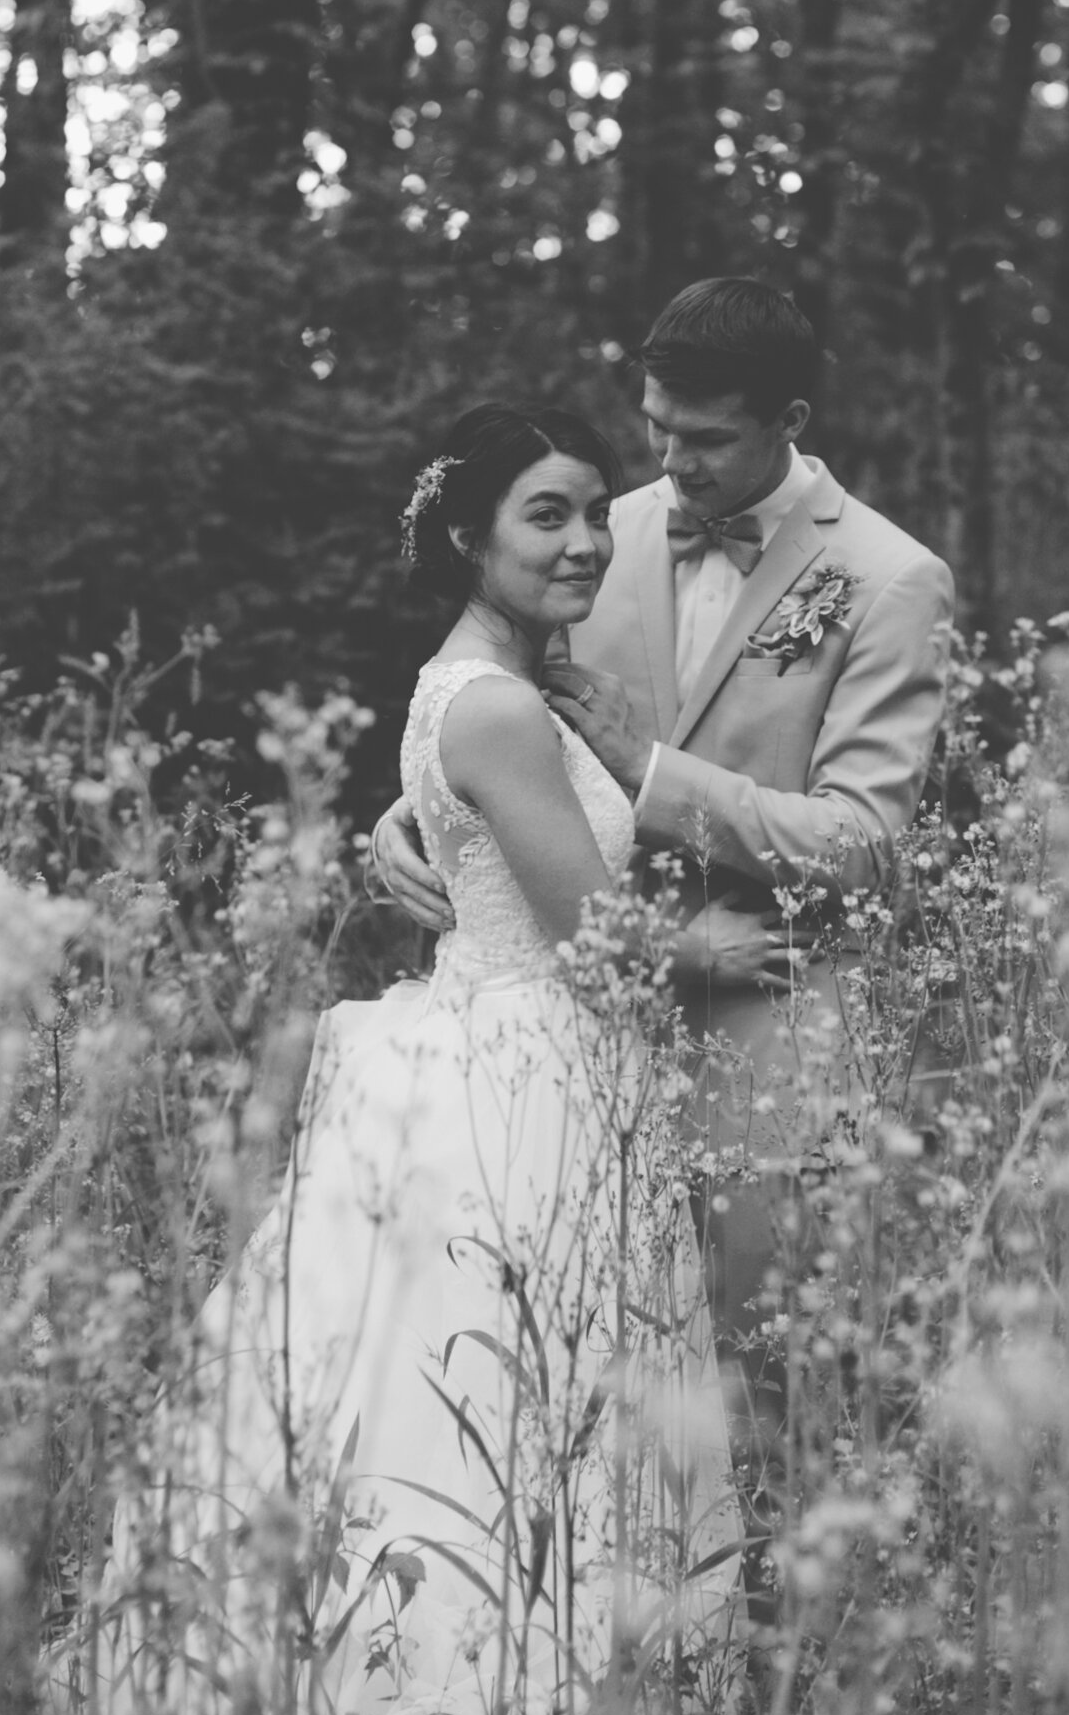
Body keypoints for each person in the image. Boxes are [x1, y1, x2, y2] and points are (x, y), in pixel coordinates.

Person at [52, 405, 764, 1715]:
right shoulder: (496, 701)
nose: (581, 539)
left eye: (590, 511)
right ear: (466, 537)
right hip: (531, 1070)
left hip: (507, 1043)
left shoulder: (492, 680)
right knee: (508, 1400)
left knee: (497, 1400)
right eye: (543, 516)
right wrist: (713, 952)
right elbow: (594, 940)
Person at [372, 282, 953, 1539]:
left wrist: (654, 773)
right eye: (656, 430)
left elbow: (865, 846)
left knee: (755, 1401)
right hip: (569, 1067)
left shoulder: (890, 580)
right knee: (563, 1400)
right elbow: (484, 720)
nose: (668, 468)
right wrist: (403, 822)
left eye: (704, 440)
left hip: (765, 1040)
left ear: (790, 420)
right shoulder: (595, 526)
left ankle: (763, 1700)